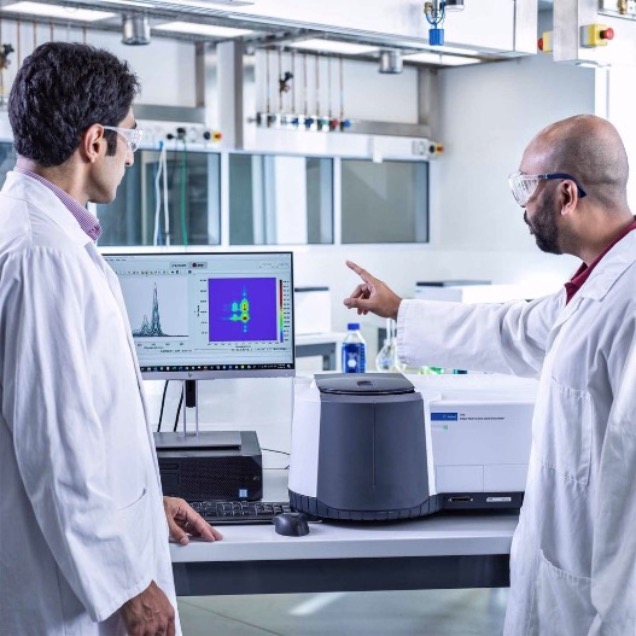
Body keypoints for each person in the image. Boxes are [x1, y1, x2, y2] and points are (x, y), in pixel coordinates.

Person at [344, 114, 636, 635]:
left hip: (603, 606)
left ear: (566, 195)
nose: (523, 206)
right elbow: (512, 331)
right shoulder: (596, 284)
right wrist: (399, 310)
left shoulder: (628, 301)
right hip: (564, 573)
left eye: (526, 187)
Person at [0, 42, 222, 636]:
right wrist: (126, 584)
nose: (132, 155)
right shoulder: (42, 255)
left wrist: (143, 510)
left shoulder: (44, 235)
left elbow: (84, 427)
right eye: (131, 135)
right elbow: (56, 449)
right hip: (65, 593)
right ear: (95, 142)